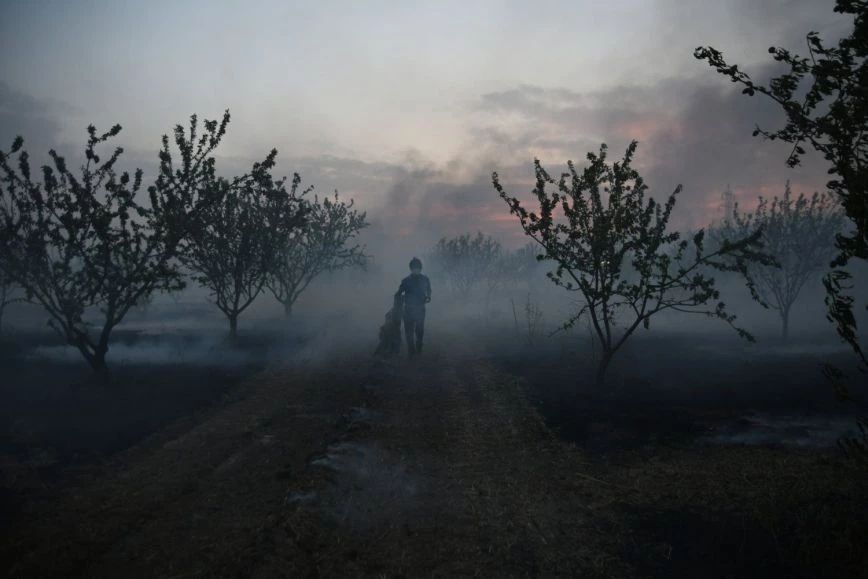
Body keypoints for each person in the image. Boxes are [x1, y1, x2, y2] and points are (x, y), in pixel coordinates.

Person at [395, 257, 431, 357]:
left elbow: (429, 290)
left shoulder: (425, 279)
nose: (416, 270)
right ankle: (411, 351)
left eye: (418, 268)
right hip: (408, 309)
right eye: (414, 268)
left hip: (420, 309)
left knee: (419, 330)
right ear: (411, 269)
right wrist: (398, 298)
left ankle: (419, 347)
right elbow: (399, 292)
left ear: (420, 268)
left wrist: (428, 296)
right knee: (408, 331)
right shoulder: (406, 281)